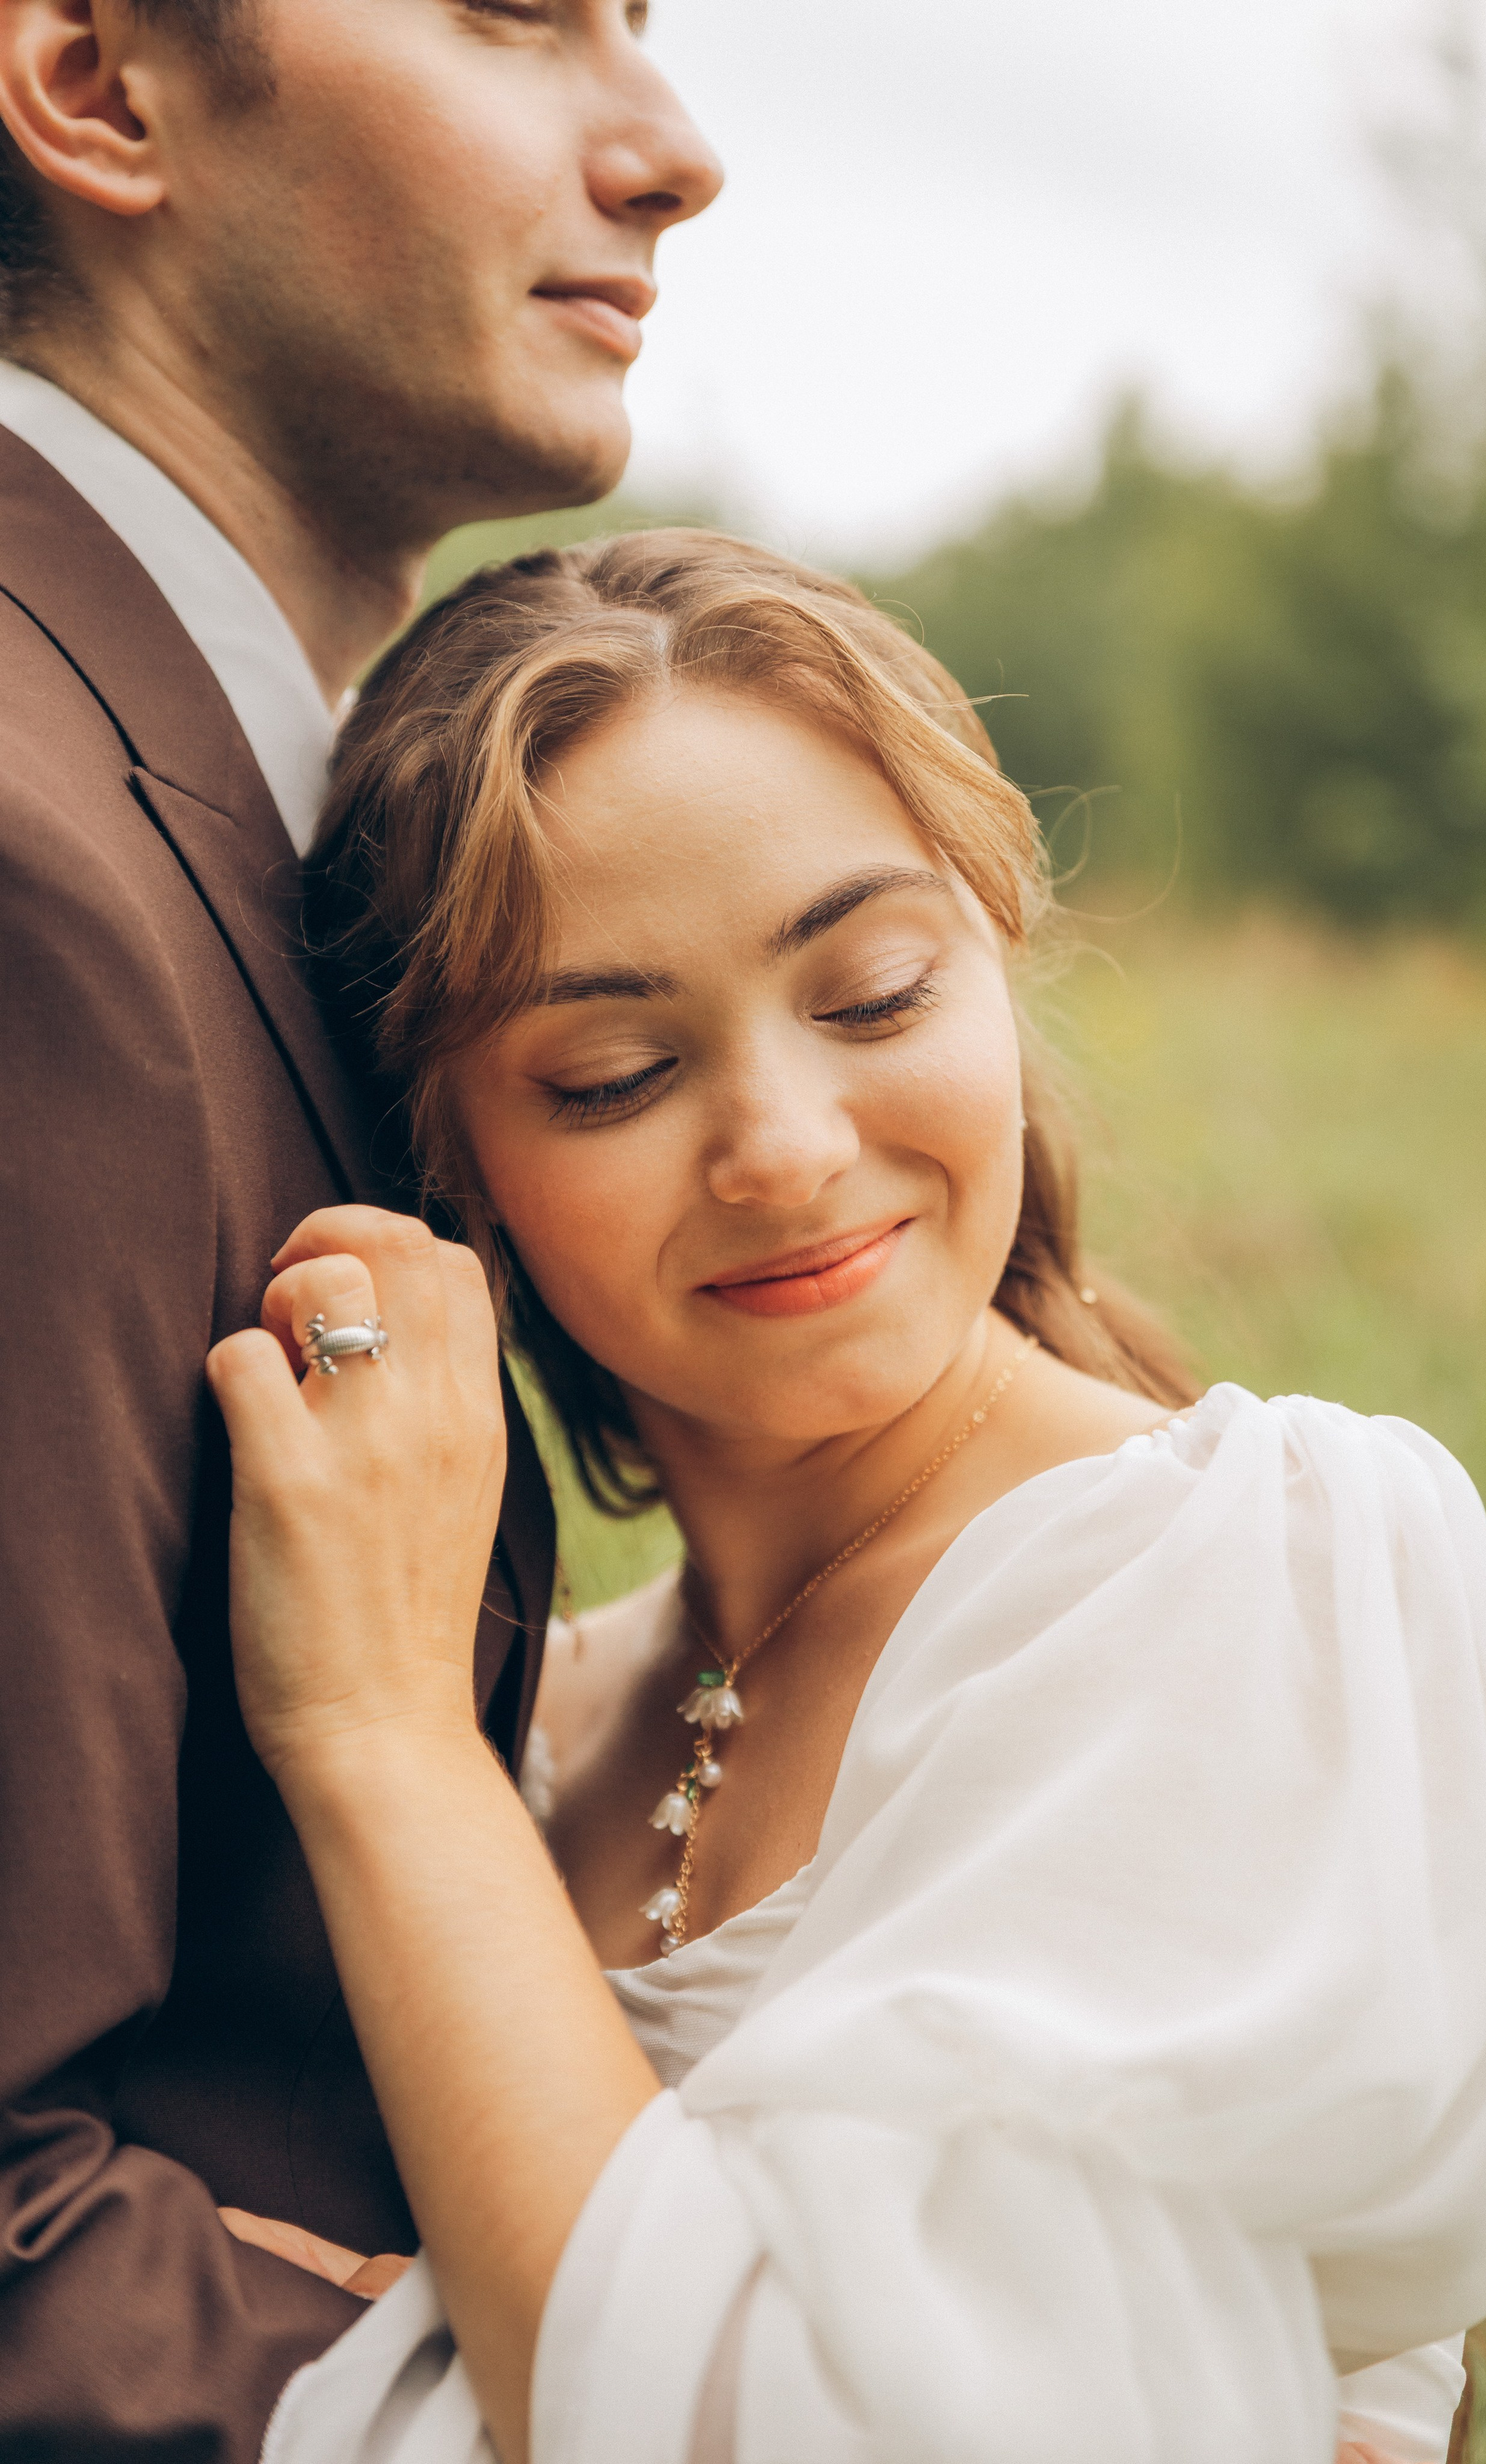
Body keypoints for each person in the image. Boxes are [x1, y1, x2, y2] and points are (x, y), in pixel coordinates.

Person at [203, 533, 1486, 2464]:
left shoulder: (1248, 1581)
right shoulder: (556, 1709)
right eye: (613, 1072)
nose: (783, 1149)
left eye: (870, 994)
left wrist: (374, 1743)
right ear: (454, 1171)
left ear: (998, 958)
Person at [0, 3, 719, 2451]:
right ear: (98, 80)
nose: (673, 152)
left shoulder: (206, 819)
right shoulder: (26, 885)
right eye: (522, 13)